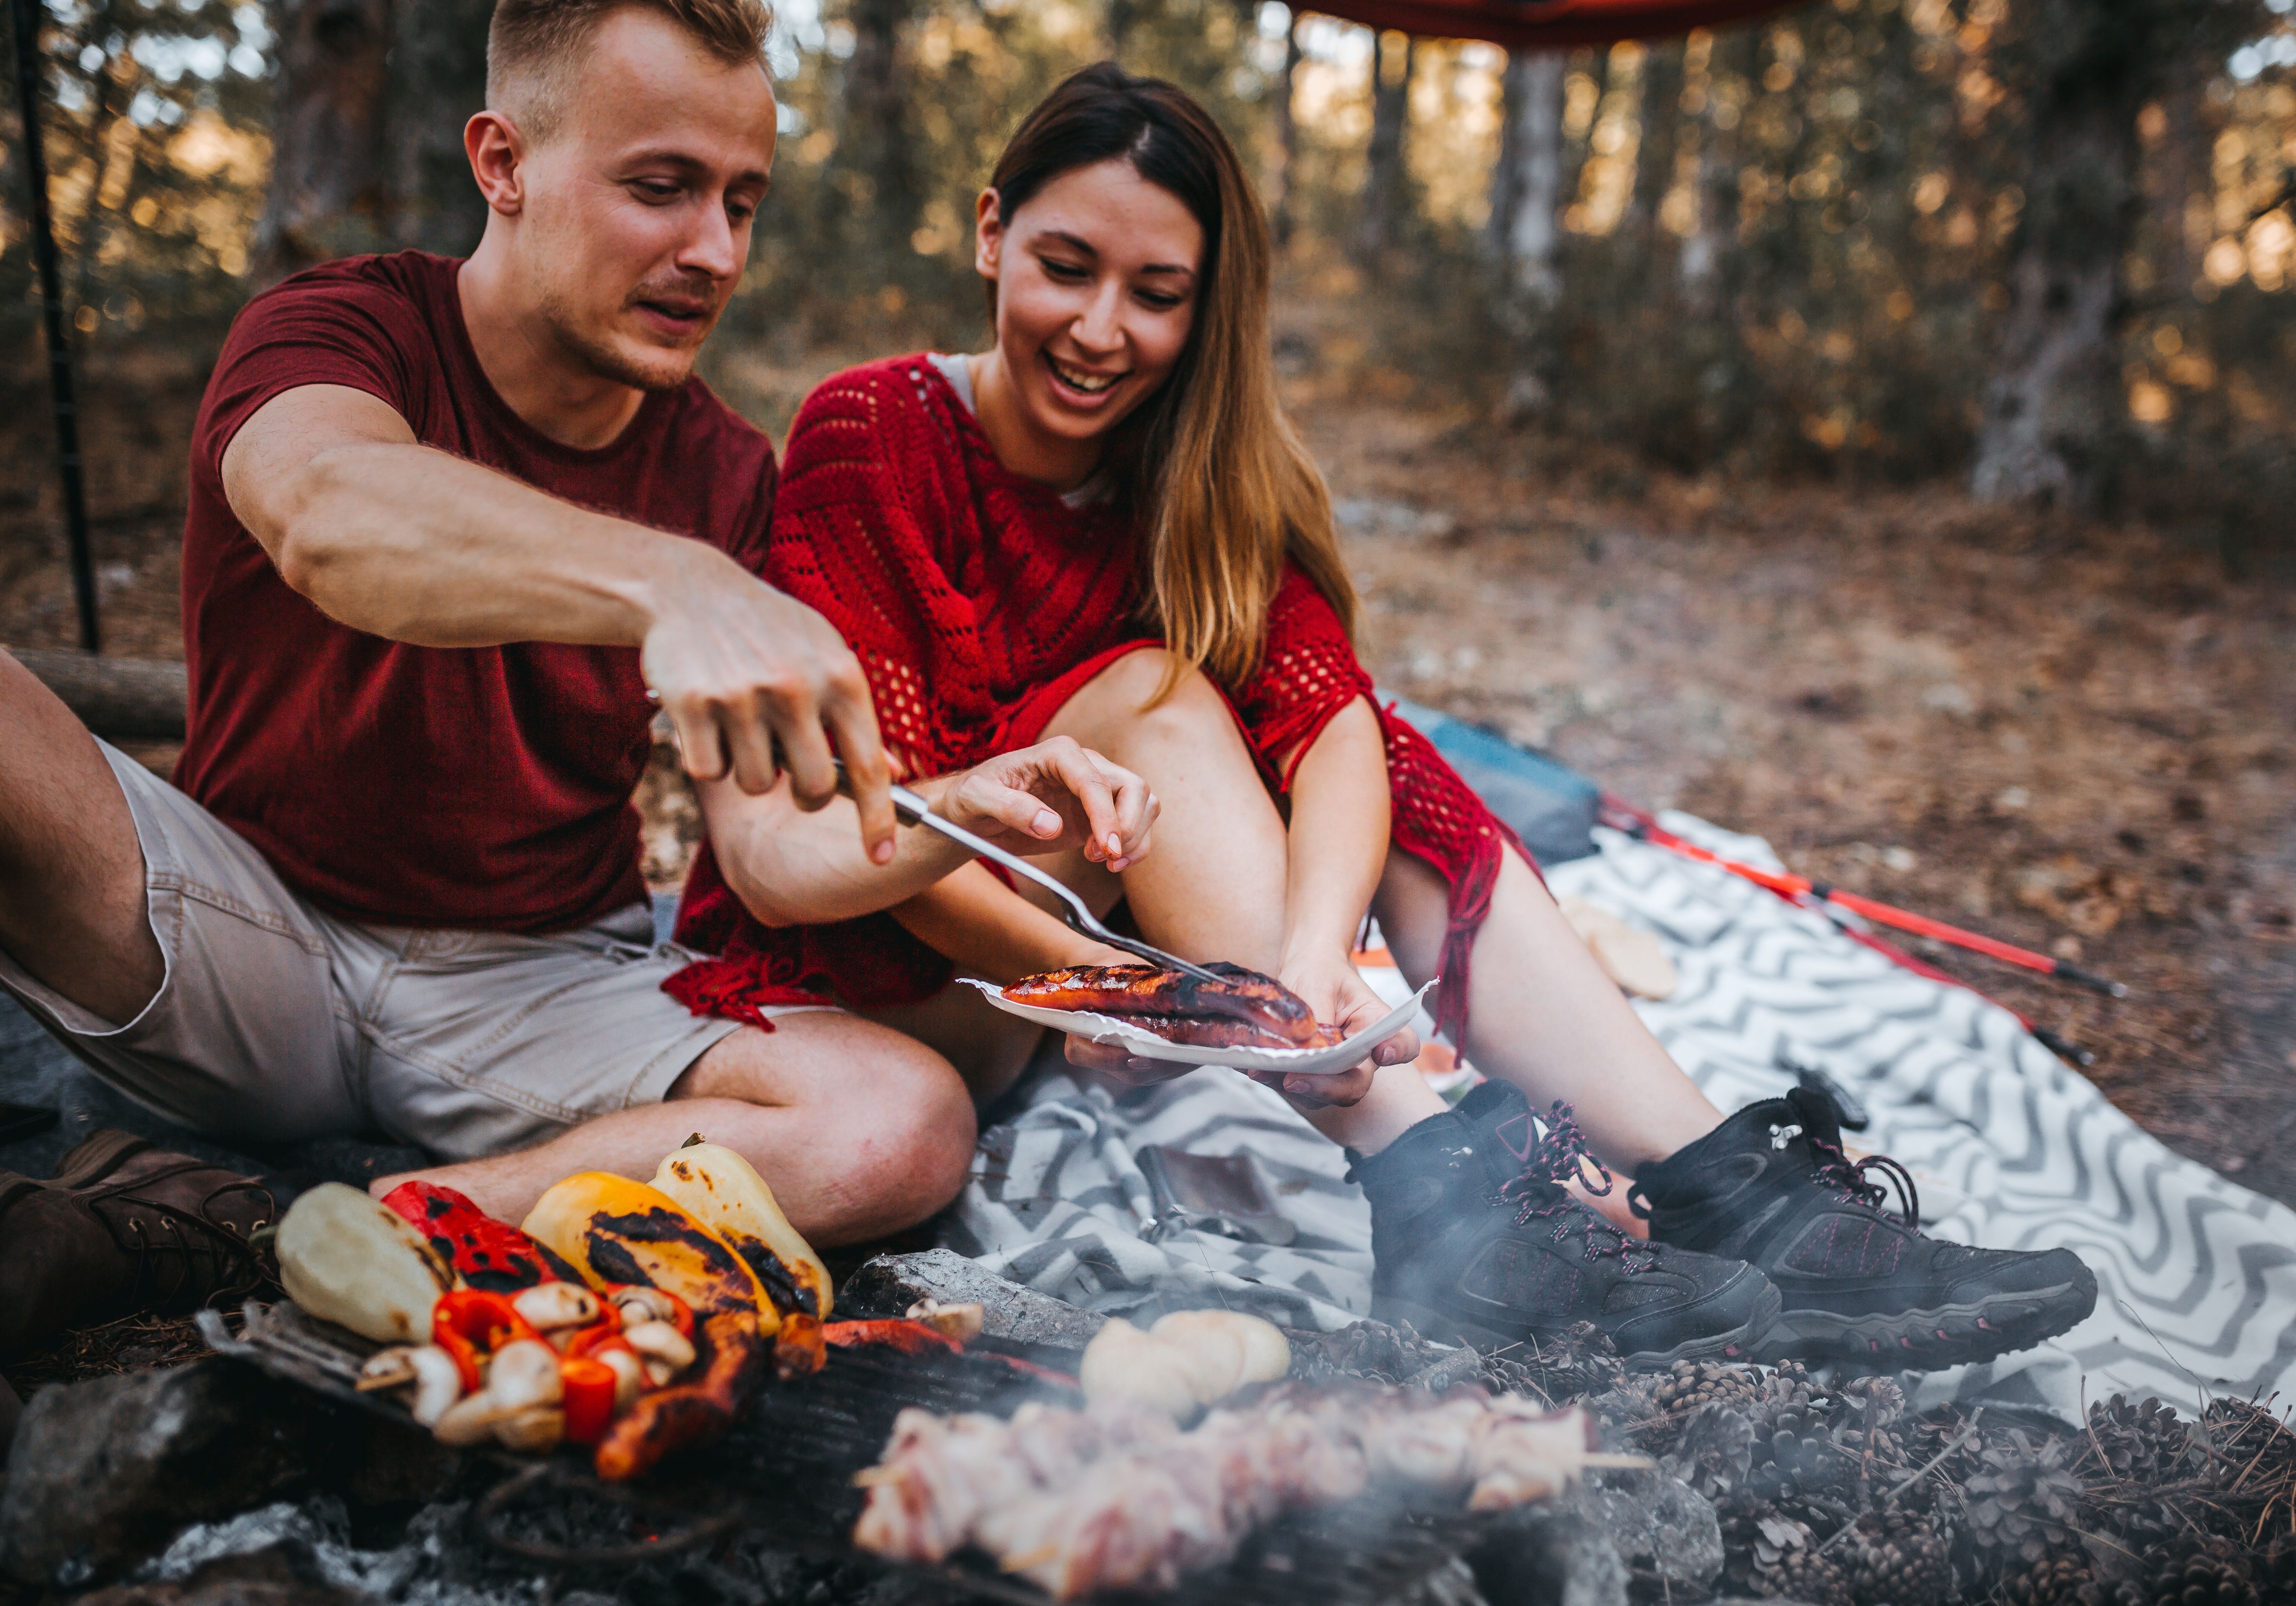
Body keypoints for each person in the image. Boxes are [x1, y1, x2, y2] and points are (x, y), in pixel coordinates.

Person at [667, 63, 2099, 1368]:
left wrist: (1307, 957)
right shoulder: (876, 431)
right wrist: (1125, 988)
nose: (1102, 330)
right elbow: (893, 826)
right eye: (1064, 267)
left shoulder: (1205, 468)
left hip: (1113, 946)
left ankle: (1721, 1180)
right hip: (903, 970)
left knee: (1386, 757)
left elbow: (1335, 721)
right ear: (991, 236)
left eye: (1157, 291)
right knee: (1159, 699)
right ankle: (1441, 1196)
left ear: (1206, 304)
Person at [0, 0, 1157, 1357]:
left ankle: (316, 1227)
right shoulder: (341, 329)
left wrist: (965, 806)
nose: (713, 252)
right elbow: (329, 511)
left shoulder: (726, 470)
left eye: (742, 200)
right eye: (660, 189)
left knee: (899, 1123)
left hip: (536, 986)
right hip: (237, 931)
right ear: (503, 164)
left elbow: (776, 854)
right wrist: (674, 586)